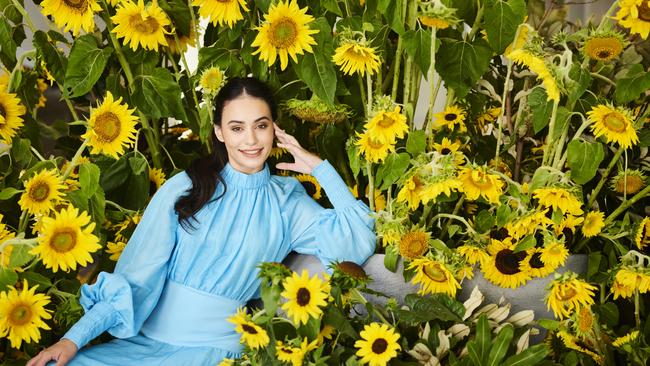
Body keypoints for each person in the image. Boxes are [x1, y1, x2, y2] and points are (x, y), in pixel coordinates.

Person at [27, 77, 376, 366]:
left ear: (275, 130)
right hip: (145, 349)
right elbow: (134, 278)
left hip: (221, 352)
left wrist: (320, 169)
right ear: (220, 132)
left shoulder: (287, 200)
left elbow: (358, 240)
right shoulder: (185, 188)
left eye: (261, 126)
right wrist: (72, 340)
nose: (251, 140)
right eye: (237, 128)